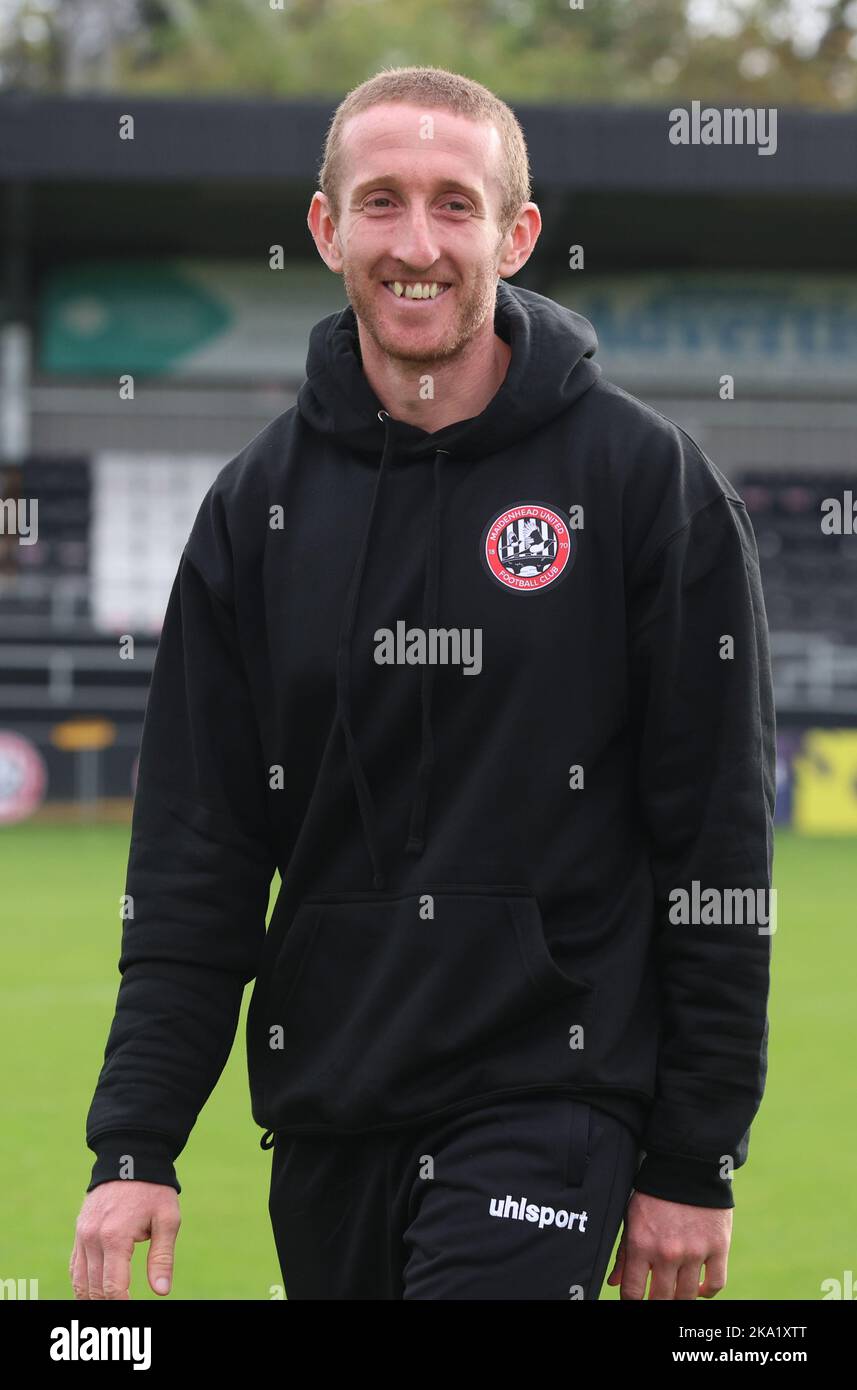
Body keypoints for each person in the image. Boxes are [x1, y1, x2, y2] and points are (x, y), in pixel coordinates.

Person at [72, 65, 776, 1302]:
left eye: (454, 206)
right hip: (330, 1105)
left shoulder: (643, 487)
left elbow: (712, 845)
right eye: (381, 201)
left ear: (514, 235)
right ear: (325, 228)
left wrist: (694, 1154)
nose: (415, 244)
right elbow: (199, 855)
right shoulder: (254, 510)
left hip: (549, 1096)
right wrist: (136, 1139)